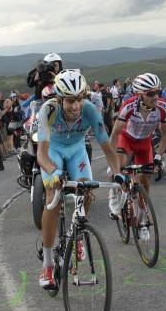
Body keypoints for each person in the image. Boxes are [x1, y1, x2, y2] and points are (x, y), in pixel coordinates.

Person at [36, 70, 122, 289]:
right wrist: (54, 173)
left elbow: (107, 147)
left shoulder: (90, 110)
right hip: (53, 151)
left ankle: (77, 236)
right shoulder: (48, 110)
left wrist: (117, 173)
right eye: (70, 101)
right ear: (60, 99)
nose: (75, 106)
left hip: (76, 150)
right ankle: (47, 264)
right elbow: (42, 154)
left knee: (86, 188)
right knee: (52, 197)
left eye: (79, 100)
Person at [109, 73, 166, 202]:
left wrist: (159, 156)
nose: (155, 97)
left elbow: (165, 134)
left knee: (145, 180)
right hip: (126, 139)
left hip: (144, 142)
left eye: (157, 92)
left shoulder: (163, 108)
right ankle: (114, 190)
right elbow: (115, 134)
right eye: (150, 94)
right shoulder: (128, 106)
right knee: (120, 167)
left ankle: (143, 213)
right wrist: (113, 159)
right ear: (139, 94)